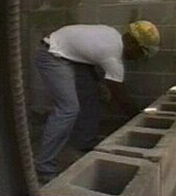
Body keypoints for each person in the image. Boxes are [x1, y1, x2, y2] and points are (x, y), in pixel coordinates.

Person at [35, 21, 160, 183]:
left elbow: (88, 52)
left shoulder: (112, 34)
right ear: (134, 44)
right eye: (142, 53)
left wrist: (98, 84)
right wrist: (139, 118)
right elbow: (120, 96)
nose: (139, 59)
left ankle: (85, 141)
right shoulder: (112, 55)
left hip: (71, 56)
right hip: (52, 54)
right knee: (68, 108)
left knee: (92, 96)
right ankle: (44, 167)